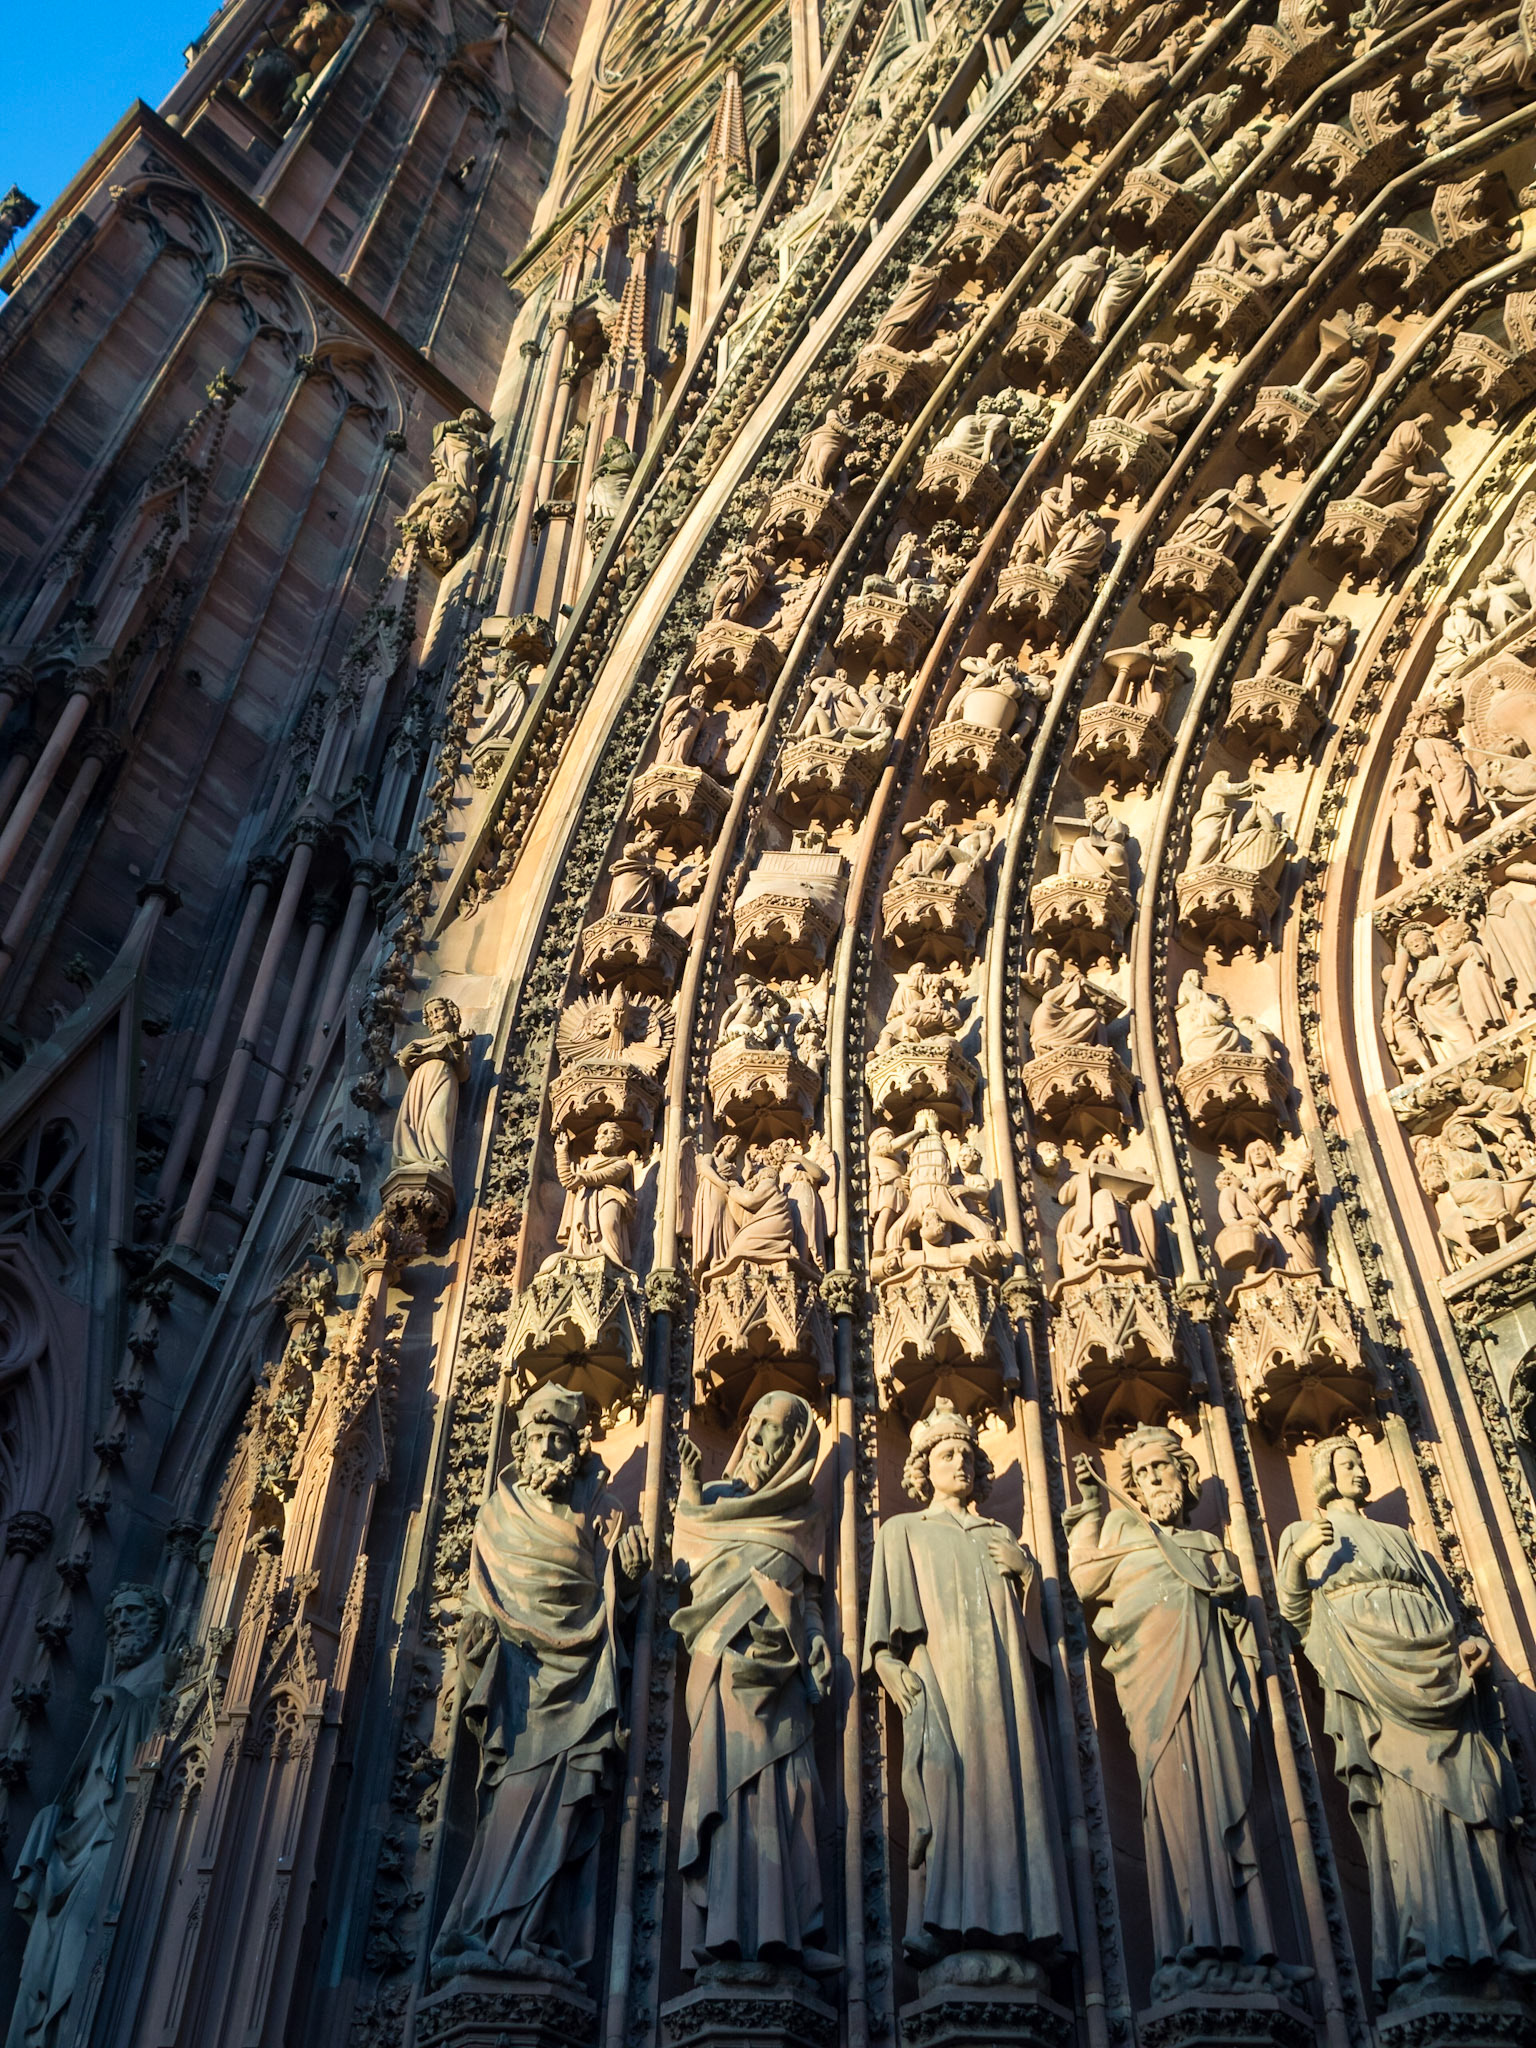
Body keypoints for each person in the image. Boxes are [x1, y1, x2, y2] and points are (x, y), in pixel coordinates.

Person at [1279, 1438, 1536, 2001]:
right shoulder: (1304, 1534)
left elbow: (1447, 1610)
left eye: (1360, 1461)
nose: (1359, 1470)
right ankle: (1427, 1944)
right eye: (1347, 1464)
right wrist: (1299, 1558)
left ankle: (1497, 1932)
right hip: (1374, 1675)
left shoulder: (1398, 1538)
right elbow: (1295, 1614)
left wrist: (1468, 1646)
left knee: (1478, 1793)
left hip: (1442, 1672)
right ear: (1326, 1475)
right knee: (1410, 1804)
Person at [1069, 1430, 1296, 2003]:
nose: (1153, 1479)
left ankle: (1248, 1941)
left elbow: (1241, 1624)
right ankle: (1189, 1940)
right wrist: (1091, 1508)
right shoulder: (1124, 1537)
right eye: (1142, 1473)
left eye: (1162, 1467)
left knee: (1226, 1805)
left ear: (1183, 1475)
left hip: (1214, 1689)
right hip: (1154, 1691)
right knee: (1175, 1803)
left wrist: (1232, 1600)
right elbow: (1085, 1579)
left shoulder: (1208, 1546)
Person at [865, 1401, 1071, 1967]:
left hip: (1002, 1687)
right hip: (937, 1677)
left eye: (967, 1455)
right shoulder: (904, 1531)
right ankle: (937, 1921)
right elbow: (883, 1623)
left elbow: (1038, 1641)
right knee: (944, 1787)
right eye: (946, 1455)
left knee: (1008, 1789)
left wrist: (1026, 1573)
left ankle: (1023, 1924)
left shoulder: (997, 1535)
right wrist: (884, 1661)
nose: (959, 1463)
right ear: (923, 1468)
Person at [673, 1394, 836, 1974]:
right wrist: (689, 1489)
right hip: (725, 1669)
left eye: (777, 1431)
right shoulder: (717, 1499)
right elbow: (688, 1560)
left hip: (782, 1675)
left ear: (795, 1446)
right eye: (758, 1426)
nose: (762, 1439)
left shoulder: (802, 1515)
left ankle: (789, 1930)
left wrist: (814, 1639)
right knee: (726, 1795)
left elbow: (808, 1595)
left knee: (792, 1796)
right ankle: (725, 1930)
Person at [8, 1587, 172, 2048]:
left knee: (84, 1930)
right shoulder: (121, 1675)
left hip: (112, 1827)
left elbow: (161, 1732)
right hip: (78, 1831)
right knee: (45, 1948)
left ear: (156, 1620)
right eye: (115, 1615)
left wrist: (123, 1704)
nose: (121, 1622)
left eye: (133, 1612)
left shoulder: (165, 1669)